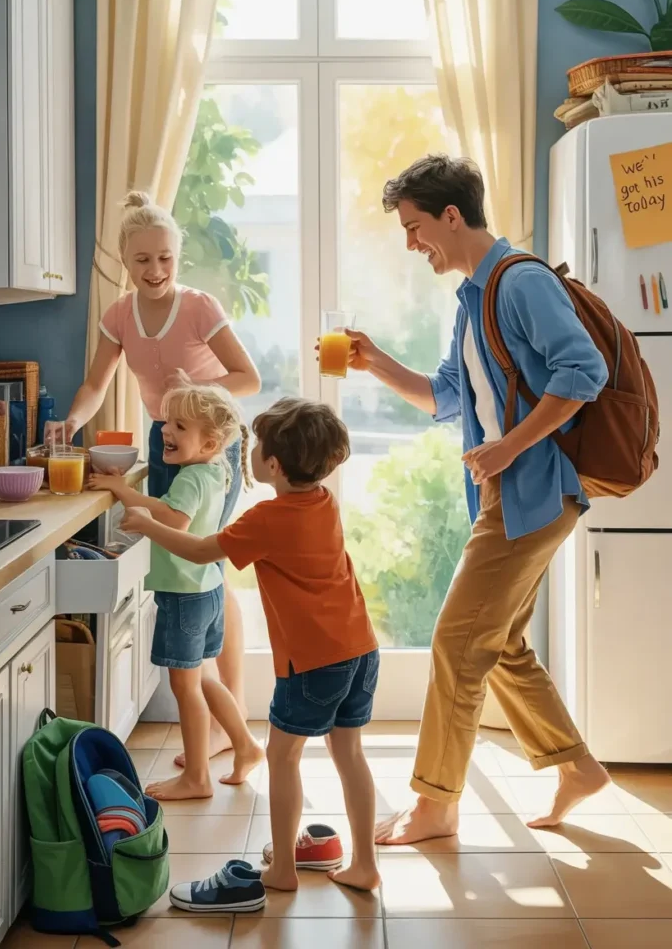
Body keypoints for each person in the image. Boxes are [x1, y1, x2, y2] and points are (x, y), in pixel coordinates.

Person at [343, 154, 611, 846]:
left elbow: (584, 371)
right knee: (498, 643)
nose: (410, 244)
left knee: (457, 641)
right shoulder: (474, 298)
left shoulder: (517, 281)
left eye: (414, 228)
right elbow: (443, 397)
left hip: (534, 486)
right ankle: (575, 768)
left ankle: (433, 803)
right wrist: (373, 361)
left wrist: (511, 446)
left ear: (451, 216)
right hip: (507, 488)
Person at [119, 397, 381, 894]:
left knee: (283, 758)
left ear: (274, 466)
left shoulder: (266, 519)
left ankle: (282, 868)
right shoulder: (324, 501)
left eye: (258, 446)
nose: (252, 452)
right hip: (359, 648)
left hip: (312, 662)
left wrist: (148, 522)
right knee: (351, 757)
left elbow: (200, 550)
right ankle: (364, 864)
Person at [53, 191, 260, 767]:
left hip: (213, 441)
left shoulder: (198, 307)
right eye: (143, 260)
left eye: (165, 258)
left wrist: (196, 398)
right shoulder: (119, 315)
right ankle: (226, 725)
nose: (156, 270)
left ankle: (229, 722)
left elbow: (247, 377)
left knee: (206, 559)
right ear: (124, 258)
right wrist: (74, 420)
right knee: (192, 560)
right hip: (165, 437)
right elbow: (96, 383)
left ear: (178, 256)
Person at [90, 383, 263, 798]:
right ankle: (246, 745)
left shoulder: (190, 478)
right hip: (207, 590)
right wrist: (124, 489)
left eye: (179, 425)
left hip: (184, 596)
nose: (166, 430)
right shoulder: (214, 468)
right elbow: (170, 507)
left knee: (185, 688)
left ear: (209, 441)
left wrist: (129, 501)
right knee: (202, 680)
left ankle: (197, 778)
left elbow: (173, 518)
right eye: (167, 421)